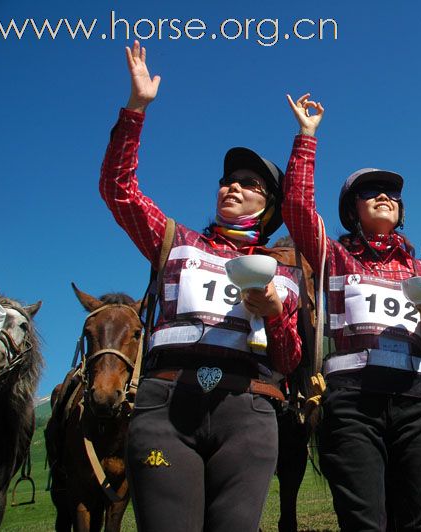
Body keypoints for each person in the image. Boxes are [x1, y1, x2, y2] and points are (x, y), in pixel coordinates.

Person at [100, 42, 302, 531]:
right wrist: (136, 109)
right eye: (228, 179)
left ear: (270, 206)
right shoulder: (174, 241)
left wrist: (275, 312)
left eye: (250, 183)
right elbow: (118, 189)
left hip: (249, 410)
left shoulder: (283, 267)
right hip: (165, 406)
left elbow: (290, 358)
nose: (234, 185)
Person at [282, 93, 421, 531]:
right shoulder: (332, 257)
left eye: (391, 193)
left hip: (418, 402)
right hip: (352, 403)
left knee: (420, 522)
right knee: (364, 524)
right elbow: (297, 210)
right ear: (352, 209)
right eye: (369, 192)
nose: (383, 196)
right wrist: (307, 137)